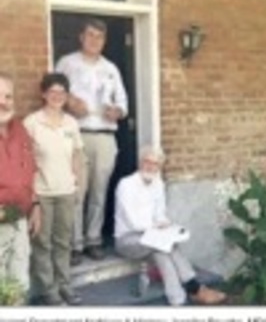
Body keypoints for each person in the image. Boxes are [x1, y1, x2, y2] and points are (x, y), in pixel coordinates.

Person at [114, 146, 227, 306]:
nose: (150, 167)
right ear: (140, 162)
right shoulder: (126, 185)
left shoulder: (158, 184)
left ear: (159, 167)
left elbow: (160, 214)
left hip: (151, 236)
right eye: (147, 161)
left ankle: (178, 300)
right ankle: (194, 289)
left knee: (163, 249)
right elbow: (134, 222)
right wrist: (158, 230)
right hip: (127, 239)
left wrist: (167, 226)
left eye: (155, 164)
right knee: (162, 246)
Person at [56, 18, 128, 265]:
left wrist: (117, 111)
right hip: (76, 134)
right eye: (90, 35)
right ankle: (74, 244)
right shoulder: (67, 63)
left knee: (99, 191)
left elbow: (123, 103)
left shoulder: (111, 68)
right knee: (77, 191)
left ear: (104, 41)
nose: (94, 40)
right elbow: (54, 92)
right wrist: (69, 102)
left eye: (99, 36)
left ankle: (93, 239)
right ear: (81, 37)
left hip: (105, 136)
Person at [24, 73, 83, 306]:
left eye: (62, 92)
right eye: (52, 92)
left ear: (67, 96)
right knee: (42, 243)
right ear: (44, 94)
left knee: (63, 242)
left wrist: (77, 184)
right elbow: (25, 162)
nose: (57, 96)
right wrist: (32, 197)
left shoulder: (71, 123)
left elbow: (77, 155)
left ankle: (64, 285)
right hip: (42, 193)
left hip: (66, 191)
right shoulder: (32, 123)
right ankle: (49, 290)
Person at [0, 72, 40, 303]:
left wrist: (35, 204)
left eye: (8, 96)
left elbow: (29, 170)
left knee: (18, 285)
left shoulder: (20, 130)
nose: (3, 102)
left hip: (19, 220)